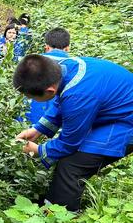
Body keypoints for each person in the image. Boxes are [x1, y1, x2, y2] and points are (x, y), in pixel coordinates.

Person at [14, 54, 133, 213]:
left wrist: (39, 151)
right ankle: (53, 207)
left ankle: (62, 218)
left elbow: (69, 143)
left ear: (49, 90)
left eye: (31, 97)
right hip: (115, 108)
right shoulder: (62, 67)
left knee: (72, 165)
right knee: (68, 157)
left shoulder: (78, 95)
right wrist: (38, 129)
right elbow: (61, 98)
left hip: (125, 122)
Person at [26, 28, 70, 124]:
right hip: (59, 126)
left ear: (46, 47)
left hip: (31, 122)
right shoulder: (74, 66)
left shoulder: (31, 63)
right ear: (68, 48)